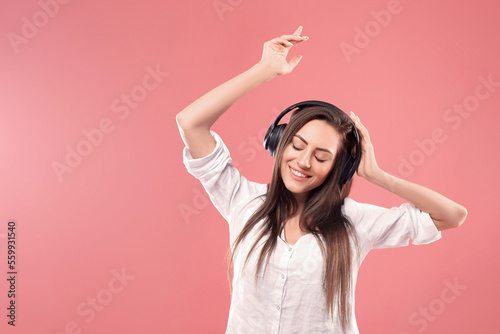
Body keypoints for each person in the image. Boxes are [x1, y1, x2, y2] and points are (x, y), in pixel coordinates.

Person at [176, 26, 467, 334]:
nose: (303, 162)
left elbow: (452, 216)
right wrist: (264, 70)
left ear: (339, 169)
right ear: (278, 142)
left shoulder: (354, 222)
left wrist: (377, 175)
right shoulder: (242, 201)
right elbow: (190, 123)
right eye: (297, 146)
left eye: (321, 156)